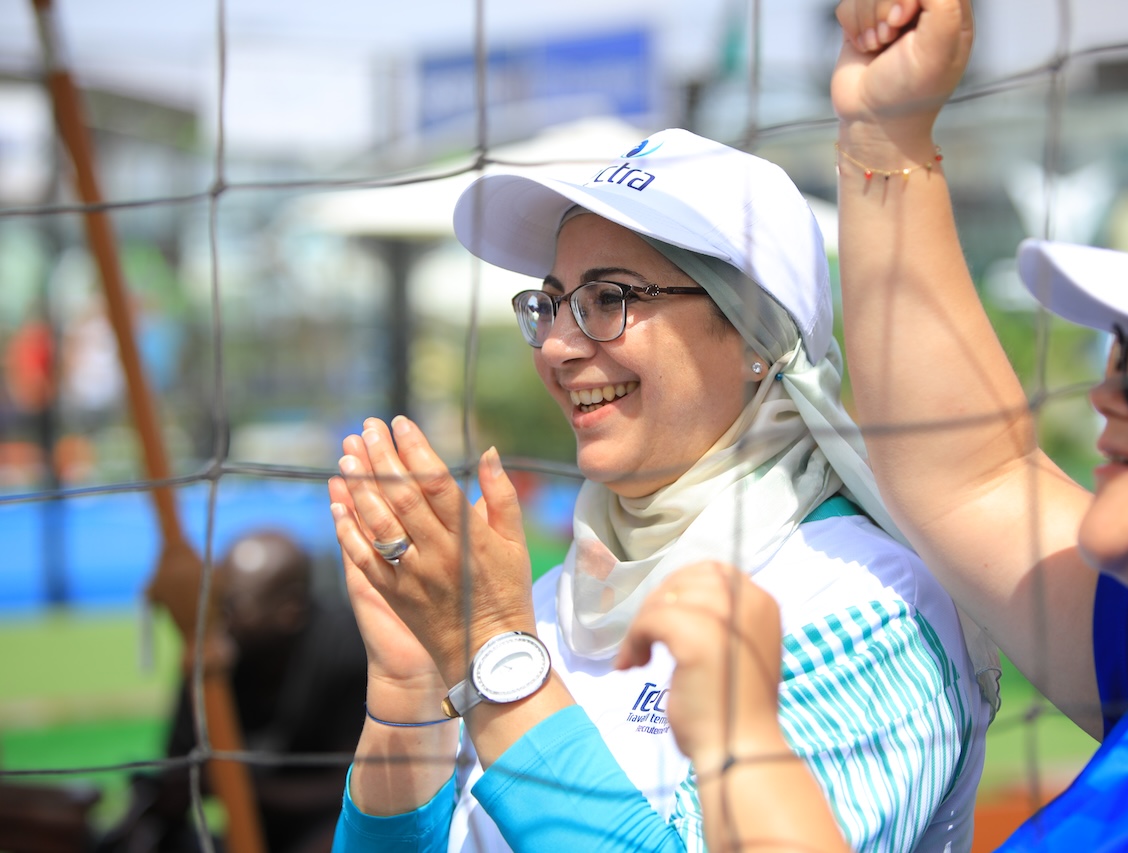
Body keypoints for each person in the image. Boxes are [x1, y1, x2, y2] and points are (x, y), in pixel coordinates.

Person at [623, 0, 1128, 849]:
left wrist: (740, 742)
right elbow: (974, 476)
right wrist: (884, 135)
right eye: (1124, 348)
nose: (1107, 393)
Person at [327, 126, 994, 852]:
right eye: (551, 303)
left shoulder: (871, 603)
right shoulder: (542, 607)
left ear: (755, 337)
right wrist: (409, 690)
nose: (558, 346)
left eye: (608, 298)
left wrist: (493, 655)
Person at [98, 530, 367, 853]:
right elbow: (180, 773)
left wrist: (234, 786)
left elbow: (357, 789)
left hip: (331, 830)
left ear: (290, 610)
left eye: (230, 605)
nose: (214, 616)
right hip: (242, 833)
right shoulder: (211, 654)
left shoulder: (346, 649)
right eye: (213, 599)